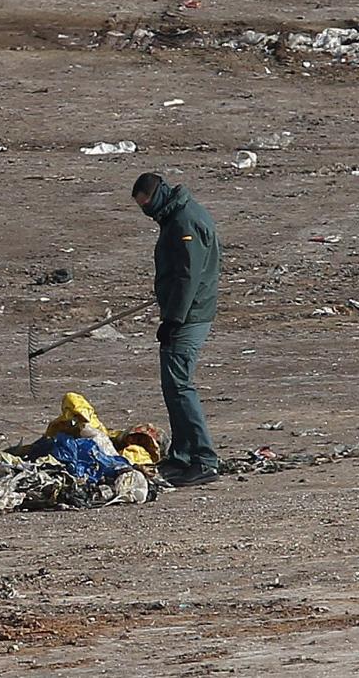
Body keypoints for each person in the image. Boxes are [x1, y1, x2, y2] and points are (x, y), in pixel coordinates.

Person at [132, 172, 222, 487]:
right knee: (172, 385)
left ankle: (204, 459)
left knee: (181, 385)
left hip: (190, 316)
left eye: (148, 205)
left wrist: (173, 318)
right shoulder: (175, 215)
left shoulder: (185, 222)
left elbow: (187, 276)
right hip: (183, 312)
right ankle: (183, 455)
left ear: (160, 194)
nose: (147, 212)